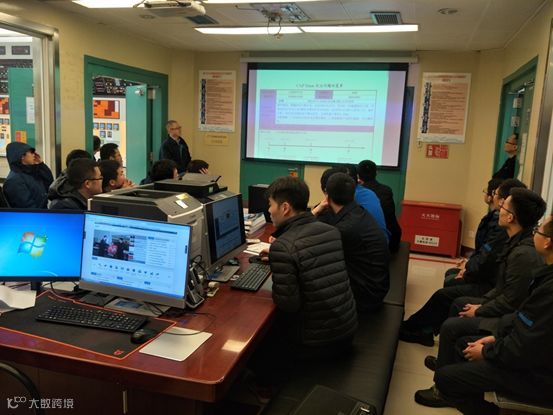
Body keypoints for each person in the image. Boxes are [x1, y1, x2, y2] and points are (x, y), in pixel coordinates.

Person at [416, 214, 553, 415]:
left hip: (538, 374)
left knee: (447, 376)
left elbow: (525, 343)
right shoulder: (544, 273)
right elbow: (523, 318)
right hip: (526, 351)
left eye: (538, 230)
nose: (535, 234)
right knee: (463, 344)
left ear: (548, 242)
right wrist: (496, 336)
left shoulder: (529, 262)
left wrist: (488, 349)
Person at [399, 180, 534, 346]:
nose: (497, 202)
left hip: (487, 284)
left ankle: (420, 329)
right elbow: (485, 254)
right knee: (450, 281)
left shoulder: (517, 247)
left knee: (445, 295)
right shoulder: (508, 232)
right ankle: (425, 328)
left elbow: (491, 268)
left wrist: (474, 285)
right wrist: (469, 266)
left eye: (501, 201)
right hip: (489, 283)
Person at [266, 176, 357, 351]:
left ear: (285, 208)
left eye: (270, 205)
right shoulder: (331, 231)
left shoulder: (282, 247)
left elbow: (288, 305)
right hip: (346, 328)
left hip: (316, 342)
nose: (269, 210)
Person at [313, 171, 390, 311]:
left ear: (327, 196)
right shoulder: (357, 211)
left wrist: (314, 212)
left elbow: (309, 246)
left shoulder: (345, 229)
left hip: (366, 296)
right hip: (375, 286)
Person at [443, 178, 506, 287]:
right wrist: (468, 263)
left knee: (449, 282)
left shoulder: (499, 226)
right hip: (480, 268)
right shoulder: (490, 217)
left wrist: (468, 268)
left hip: (486, 278)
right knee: (450, 274)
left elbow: (487, 255)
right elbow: (482, 249)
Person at [357, 159, 402, 252]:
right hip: (392, 238)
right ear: (376, 173)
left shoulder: (357, 193)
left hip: (369, 243)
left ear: (358, 175)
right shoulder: (386, 190)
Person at [3, 142, 54, 209]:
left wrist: (41, 164)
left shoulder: (31, 172)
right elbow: (27, 208)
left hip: (42, 213)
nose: (34, 155)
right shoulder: (13, 181)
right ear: (22, 156)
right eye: (31, 152)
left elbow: (50, 185)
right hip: (34, 215)